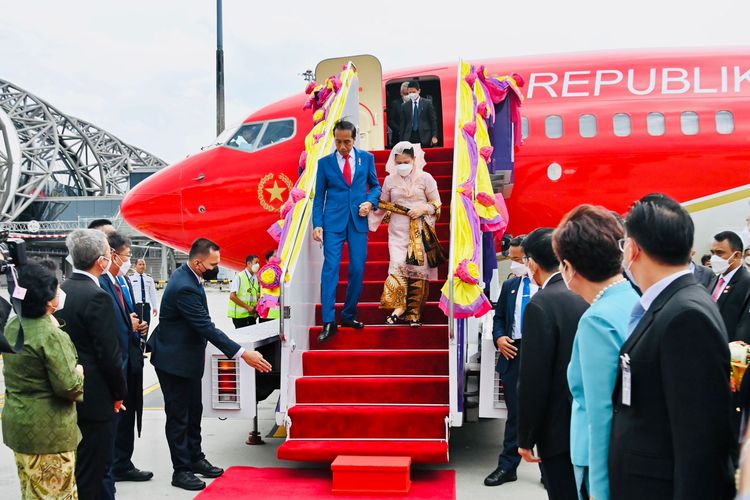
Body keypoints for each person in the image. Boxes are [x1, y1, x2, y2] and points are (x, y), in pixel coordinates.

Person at [610, 193, 735, 500]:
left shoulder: (685, 315)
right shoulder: (672, 303)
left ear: (634, 248)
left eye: (623, 243)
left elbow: (701, 442)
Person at [148, 238, 272, 491]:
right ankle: (181, 470)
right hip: (173, 360)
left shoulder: (191, 277)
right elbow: (204, 326)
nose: (216, 267)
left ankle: (195, 458)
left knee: (194, 412)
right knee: (179, 417)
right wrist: (241, 354)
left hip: (186, 358)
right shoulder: (184, 286)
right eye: (213, 263)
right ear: (197, 261)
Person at [552, 205, 640, 500]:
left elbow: (599, 412)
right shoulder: (632, 298)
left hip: (597, 459)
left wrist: (600, 491)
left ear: (569, 267)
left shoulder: (597, 320)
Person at [2, 261, 85, 499]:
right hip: (49, 434)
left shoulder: (13, 325)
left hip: (20, 424)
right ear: (49, 300)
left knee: (31, 491)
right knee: (57, 493)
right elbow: (68, 386)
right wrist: (79, 372)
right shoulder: (51, 335)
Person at [55, 229, 127, 500]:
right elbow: (109, 354)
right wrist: (119, 394)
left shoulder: (62, 290)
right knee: (96, 470)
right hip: (96, 397)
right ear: (101, 261)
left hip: (68, 391)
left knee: (78, 467)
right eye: (110, 253)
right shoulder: (97, 296)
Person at [516, 228, 588, 500]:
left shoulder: (541, 304)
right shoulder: (583, 293)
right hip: (587, 422)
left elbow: (534, 378)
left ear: (532, 262)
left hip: (557, 430)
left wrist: (526, 437)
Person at [312, 120, 382, 342]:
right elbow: (318, 197)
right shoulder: (324, 164)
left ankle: (349, 314)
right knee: (330, 269)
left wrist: (370, 202)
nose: (342, 146)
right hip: (333, 222)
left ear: (354, 139)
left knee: (358, 269)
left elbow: (376, 186)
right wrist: (318, 224)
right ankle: (329, 321)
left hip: (358, 221)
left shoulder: (366, 159)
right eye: (338, 142)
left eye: (347, 142)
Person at [484, 235, 539, 487]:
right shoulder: (511, 286)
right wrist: (499, 338)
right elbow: (498, 319)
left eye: (518, 259)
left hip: (541, 353)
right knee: (515, 414)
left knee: (549, 414)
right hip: (514, 353)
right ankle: (508, 466)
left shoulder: (553, 287)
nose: (514, 264)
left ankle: (550, 470)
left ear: (532, 259)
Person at [369, 141, 442, 327]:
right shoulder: (389, 181)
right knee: (397, 266)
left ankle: (414, 314)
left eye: (406, 161)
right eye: (399, 162)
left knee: (418, 271)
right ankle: (398, 308)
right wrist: (369, 211)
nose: (402, 165)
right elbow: (383, 204)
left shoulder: (426, 178)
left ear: (414, 159)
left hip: (420, 230)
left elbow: (436, 204)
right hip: (397, 231)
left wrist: (422, 209)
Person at [98, 233, 152, 483]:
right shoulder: (101, 284)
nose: (129, 261)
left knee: (129, 413)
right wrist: (125, 324)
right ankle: (111, 465)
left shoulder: (124, 282)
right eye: (127, 256)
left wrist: (137, 325)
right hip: (116, 359)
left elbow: (127, 312)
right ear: (112, 254)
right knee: (115, 417)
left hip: (132, 358)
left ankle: (123, 461)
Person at [710, 231, 750, 341]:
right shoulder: (713, 279)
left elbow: (745, 325)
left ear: (737, 255)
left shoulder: (746, 283)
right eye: (712, 252)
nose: (713, 258)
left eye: (719, 253)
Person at [399, 81, 438, 148]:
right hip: (409, 137)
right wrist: (401, 141)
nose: (411, 94)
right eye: (410, 92)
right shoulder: (404, 106)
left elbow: (433, 121)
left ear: (419, 91)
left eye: (413, 92)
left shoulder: (427, 103)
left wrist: (434, 136)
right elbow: (403, 124)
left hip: (425, 136)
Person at [227, 254, 261, 328]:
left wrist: (255, 309)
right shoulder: (239, 277)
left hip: (251, 315)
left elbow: (253, 295)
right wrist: (247, 307)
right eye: (256, 262)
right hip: (240, 316)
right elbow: (232, 296)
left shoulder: (255, 278)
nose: (258, 265)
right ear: (249, 264)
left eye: (258, 263)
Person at [130, 258, 159, 326]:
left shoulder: (149, 278)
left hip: (146, 306)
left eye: (143, 264)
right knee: (137, 327)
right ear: (135, 266)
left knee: (146, 326)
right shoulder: (130, 278)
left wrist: (155, 307)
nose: (142, 266)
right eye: (140, 264)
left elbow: (152, 293)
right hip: (136, 306)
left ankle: (145, 337)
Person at [387, 82, 409, 147]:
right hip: (399, 138)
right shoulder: (395, 104)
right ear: (401, 93)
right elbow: (390, 120)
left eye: (409, 93)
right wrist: (399, 130)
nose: (407, 95)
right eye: (405, 94)